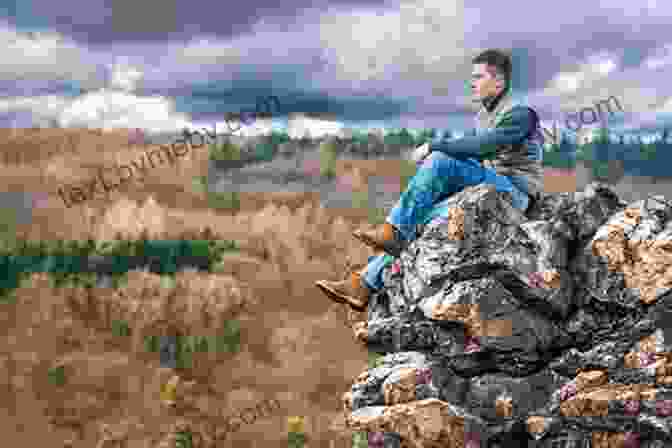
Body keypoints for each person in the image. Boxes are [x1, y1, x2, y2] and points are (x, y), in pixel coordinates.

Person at [315, 48, 544, 311]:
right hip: (490, 188)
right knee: (423, 219)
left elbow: (485, 146)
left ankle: (392, 231)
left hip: (514, 193)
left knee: (439, 159)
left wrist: (435, 146)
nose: (472, 83)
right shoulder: (485, 115)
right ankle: (363, 284)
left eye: (479, 77)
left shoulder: (521, 114)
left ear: (500, 81)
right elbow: (479, 155)